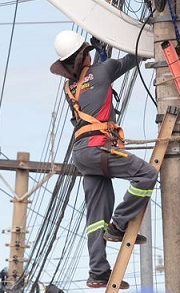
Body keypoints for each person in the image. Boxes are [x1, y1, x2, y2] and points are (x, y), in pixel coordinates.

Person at [49, 30, 158, 288]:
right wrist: (150, 37)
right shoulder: (102, 71)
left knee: (96, 215)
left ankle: (98, 272)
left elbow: (91, 83)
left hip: (81, 153)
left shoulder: (69, 87)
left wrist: (99, 53)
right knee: (146, 175)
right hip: (98, 147)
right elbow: (132, 59)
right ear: (83, 54)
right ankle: (118, 225)